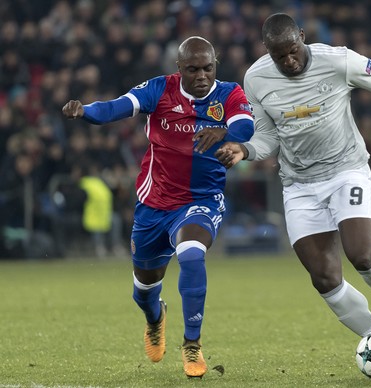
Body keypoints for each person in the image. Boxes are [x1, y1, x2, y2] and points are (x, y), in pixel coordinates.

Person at [216, 13, 371, 364]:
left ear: (302, 37)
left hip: (347, 170)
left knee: (362, 256)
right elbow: (268, 137)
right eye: (280, 56)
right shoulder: (256, 78)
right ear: (267, 51)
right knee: (324, 278)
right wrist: (244, 150)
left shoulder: (338, 61)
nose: (288, 61)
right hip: (299, 185)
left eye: (293, 51)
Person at [62, 36, 254, 377]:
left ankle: (192, 345)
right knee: (144, 289)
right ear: (178, 68)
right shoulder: (159, 90)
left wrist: (223, 129)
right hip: (155, 204)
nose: (201, 76)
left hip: (201, 200)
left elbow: (246, 124)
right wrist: (86, 111)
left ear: (215, 66)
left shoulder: (229, 93)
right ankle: (156, 318)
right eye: (192, 69)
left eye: (207, 68)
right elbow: (115, 107)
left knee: (192, 253)